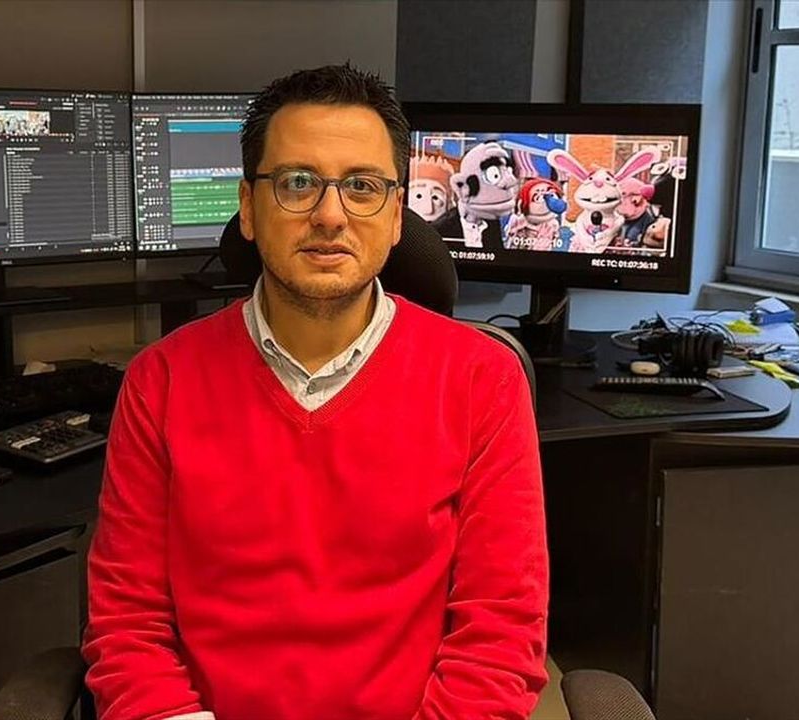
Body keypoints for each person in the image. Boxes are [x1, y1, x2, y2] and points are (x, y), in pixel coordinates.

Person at [82, 64, 548, 720]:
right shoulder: (161, 380)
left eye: (362, 186)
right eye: (297, 182)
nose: (330, 215)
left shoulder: (481, 379)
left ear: (395, 215)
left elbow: (500, 634)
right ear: (249, 208)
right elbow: (128, 626)